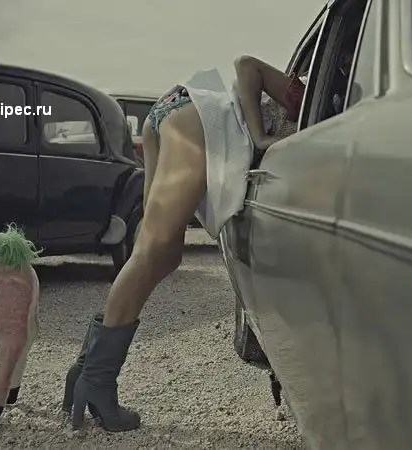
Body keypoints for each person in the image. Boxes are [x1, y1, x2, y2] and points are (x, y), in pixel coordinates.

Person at [61, 56, 310, 433]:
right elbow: (247, 66)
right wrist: (259, 137)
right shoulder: (312, 93)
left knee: (162, 254)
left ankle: (85, 370)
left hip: (175, 111)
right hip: (195, 119)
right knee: (151, 252)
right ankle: (96, 381)